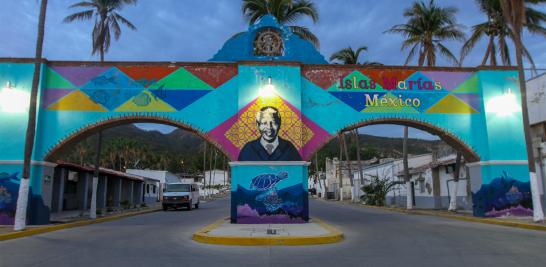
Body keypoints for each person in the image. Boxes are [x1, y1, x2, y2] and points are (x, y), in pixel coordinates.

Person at [238, 106, 302, 161]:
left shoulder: (289, 148)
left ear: (279, 124)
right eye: (264, 123)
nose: (269, 127)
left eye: (273, 123)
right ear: (258, 125)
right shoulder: (248, 149)